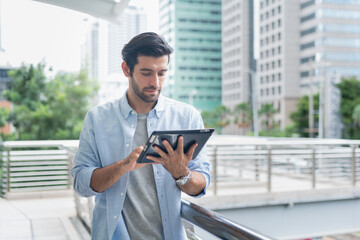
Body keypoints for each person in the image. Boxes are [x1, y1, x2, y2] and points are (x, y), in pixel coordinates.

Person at [71, 32, 210, 240]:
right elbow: (81, 183)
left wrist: (181, 173)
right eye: (146, 73)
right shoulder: (97, 118)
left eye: (162, 73)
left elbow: (203, 182)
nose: (155, 82)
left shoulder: (187, 117)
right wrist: (122, 166)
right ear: (126, 69)